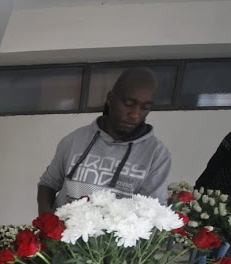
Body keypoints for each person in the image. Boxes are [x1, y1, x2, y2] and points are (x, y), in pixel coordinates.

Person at [37, 67, 172, 214]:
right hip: (63, 234)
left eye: (145, 108)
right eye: (128, 104)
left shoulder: (157, 154)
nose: (135, 114)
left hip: (115, 236)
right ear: (110, 99)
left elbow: (153, 211)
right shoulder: (75, 139)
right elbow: (48, 184)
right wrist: (46, 219)